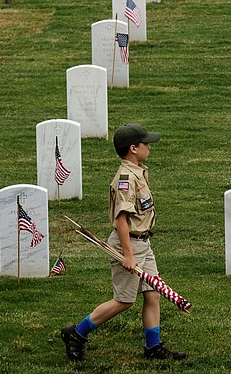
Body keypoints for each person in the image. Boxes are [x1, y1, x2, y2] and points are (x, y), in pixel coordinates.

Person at [61, 123, 186, 362]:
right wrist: (128, 255)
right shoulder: (126, 178)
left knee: (153, 293)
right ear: (133, 148)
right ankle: (76, 334)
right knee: (124, 301)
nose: (149, 146)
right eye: (145, 143)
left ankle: (153, 347)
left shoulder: (138, 171)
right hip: (127, 244)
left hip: (143, 243)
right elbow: (121, 219)